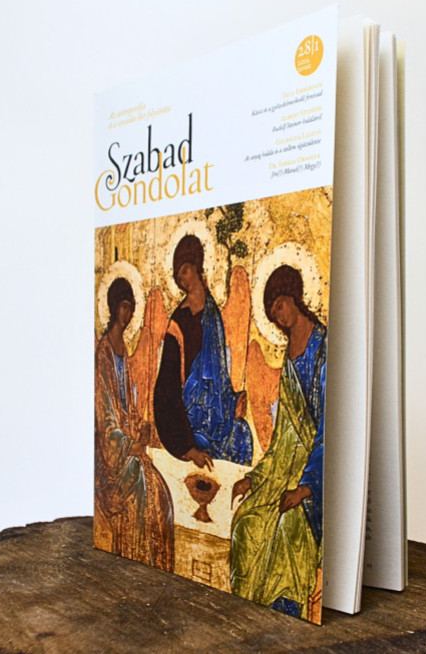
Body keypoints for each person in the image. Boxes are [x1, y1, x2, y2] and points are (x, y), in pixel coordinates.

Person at [229, 264, 325, 619]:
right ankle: (248, 613)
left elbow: (331, 429)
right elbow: (284, 433)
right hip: (286, 468)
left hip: (317, 477)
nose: (280, 317)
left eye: (280, 306)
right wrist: (255, 478)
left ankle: (285, 615)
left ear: (294, 297)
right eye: (273, 314)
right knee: (247, 522)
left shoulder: (324, 349)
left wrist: (305, 488)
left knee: (288, 526)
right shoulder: (288, 361)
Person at [95, 277, 174, 571]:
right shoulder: (104, 353)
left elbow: (127, 406)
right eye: (124, 307)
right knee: (140, 479)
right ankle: (135, 558)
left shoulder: (123, 350)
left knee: (160, 489)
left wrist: (140, 427)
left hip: (126, 444)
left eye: (131, 308)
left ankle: (153, 564)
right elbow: (105, 418)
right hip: (110, 459)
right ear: (114, 307)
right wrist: (129, 444)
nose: (127, 314)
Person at [153, 235, 253, 467]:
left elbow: (219, 377)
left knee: (242, 433)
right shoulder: (179, 321)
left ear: (197, 267)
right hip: (190, 419)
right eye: (178, 277)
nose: (183, 280)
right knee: (209, 444)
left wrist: (234, 401)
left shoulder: (212, 313)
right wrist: (187, 447)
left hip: (215, 413)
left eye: (185, 271)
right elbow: (166, 388)